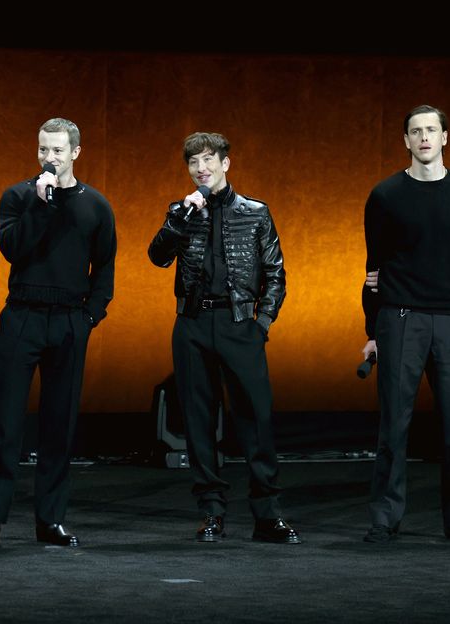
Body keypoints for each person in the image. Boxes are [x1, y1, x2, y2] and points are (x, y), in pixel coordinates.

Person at [148, 132, 298, 544]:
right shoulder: (181, 212)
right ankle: (211, 512)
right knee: (197, 422)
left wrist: (261, 324)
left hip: (239, 326)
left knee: (256, 420)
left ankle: (267, 514)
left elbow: (275, 274)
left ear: (225, 163)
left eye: (209, 160)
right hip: (193, 325)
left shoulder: (255, 212)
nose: (202, 169)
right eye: (194, 163)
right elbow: (157, 256)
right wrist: (179, 218)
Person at [0, 118, 116, 548]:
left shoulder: (96, 205)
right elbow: (12, 249)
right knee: (5, 424)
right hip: (23, 318)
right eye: (42, 150)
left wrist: (89, 317)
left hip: (70, 321)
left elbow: (104, 268)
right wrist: (39, 204)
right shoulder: (18, 196)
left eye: (57, 151)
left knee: (59, 425)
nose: (48, 158)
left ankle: (50, 521)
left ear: (76, 151)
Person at [360, 104, 450, 544]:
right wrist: (372, 330)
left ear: (445, 137)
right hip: (400, 317)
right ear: (406, 141)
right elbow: (374, 267)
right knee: (394, 422)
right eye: (416, 131)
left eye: (432, 130)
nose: (425, 137)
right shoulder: (385, 195)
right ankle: (385, 519)